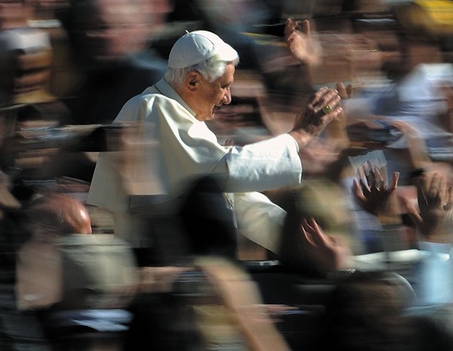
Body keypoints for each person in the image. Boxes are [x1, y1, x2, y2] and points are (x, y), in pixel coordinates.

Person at [87, 29, 342, 258]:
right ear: (193, 81)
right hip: (145, 258)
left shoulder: (182, 116)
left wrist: (299, 243)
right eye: (223, 87)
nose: (228, 99)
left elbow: (238, 199)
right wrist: (299, 136)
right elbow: (226, 169)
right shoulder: (154, 107)